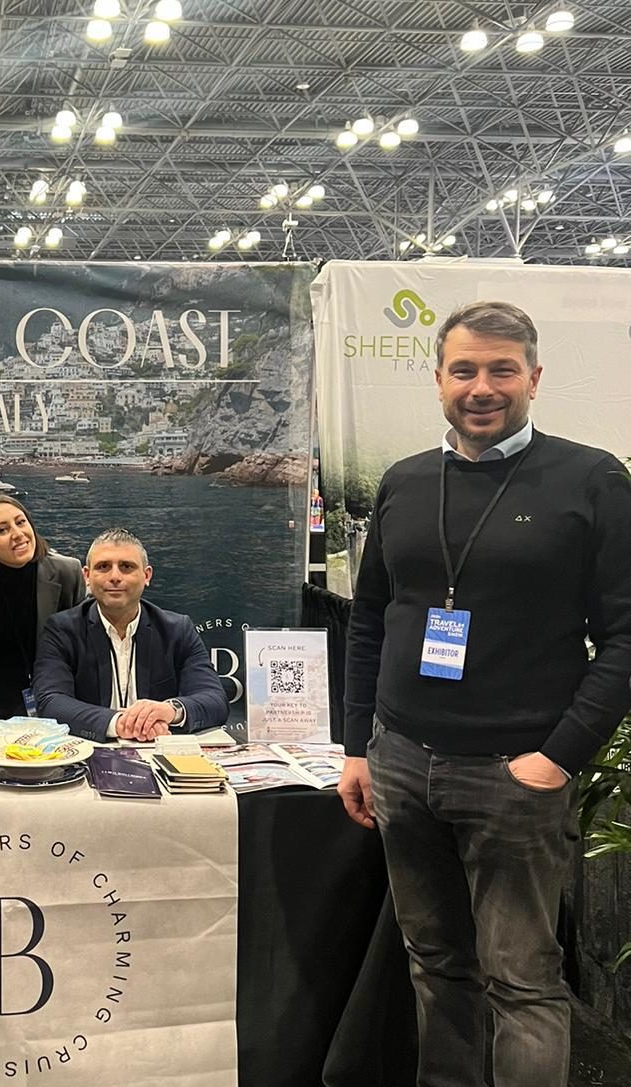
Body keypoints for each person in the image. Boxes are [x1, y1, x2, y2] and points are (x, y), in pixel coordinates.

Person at [337, 300, 631, 1087]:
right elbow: (370, 619)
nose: (482, 386)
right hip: (401, 762)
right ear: (438, 379)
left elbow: (627, 637)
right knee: (435, 965)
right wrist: (356, 747)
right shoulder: (403, 482)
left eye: (502, 369)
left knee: (523, 981)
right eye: (464, 369)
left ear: (534, 377)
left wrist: (558, 758)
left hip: (515, 772)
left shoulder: (592, 479)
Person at [33, 528, 227, 742]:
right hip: (90, 751)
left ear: (147, 576)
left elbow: (215, 700)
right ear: (87, 576)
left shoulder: (178, 629)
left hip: (161, 748)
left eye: (126, 567)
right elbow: (50, 702)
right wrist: (118, 724)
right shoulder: (62, 630)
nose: (114, 577)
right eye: (103, 567)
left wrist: (170, 711)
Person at [0, 495, 84, 718]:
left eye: (21, 522)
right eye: (2, 530)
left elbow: (81, 649)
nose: (18, 534)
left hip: (51, 703)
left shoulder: (67, 573)